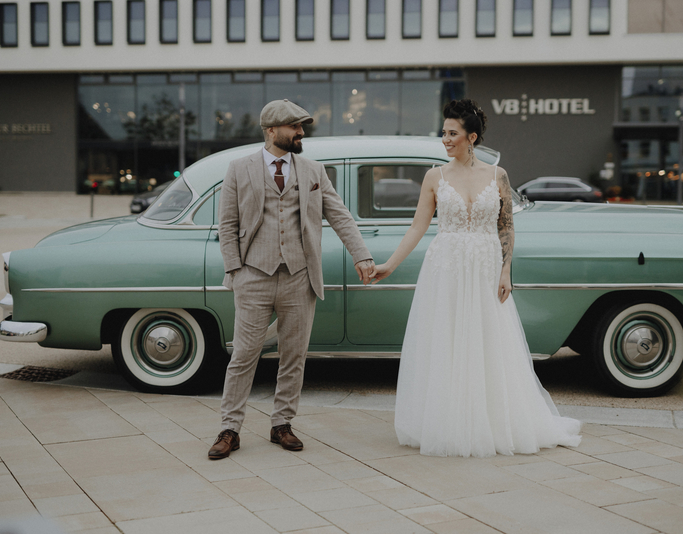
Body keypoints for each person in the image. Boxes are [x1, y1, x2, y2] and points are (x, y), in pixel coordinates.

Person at [371, 99, 582, 458]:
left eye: (452, 133)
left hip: (485, 267)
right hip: (447, 268)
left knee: (487, 342)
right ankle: (448, 422)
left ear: (471, 137)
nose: (445, 139)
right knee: (449, 341)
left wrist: (506, 271)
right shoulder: (434, 177)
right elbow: (418, 226)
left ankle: (493, 421)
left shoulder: (497, 176)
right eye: (443, 133)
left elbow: (506, 226)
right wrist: (389, 265)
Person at [209, 99, 376, 460]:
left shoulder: (314, 170)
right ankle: (229, 428)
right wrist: (235, 271)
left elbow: (340, 215)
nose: (302, 133)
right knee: (243, 354)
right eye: (295, 127)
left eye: (302, 127)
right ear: (272, 131)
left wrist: (361, 255)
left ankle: (281, 423)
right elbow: (227, 225)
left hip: (300, 277)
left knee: (294, 355)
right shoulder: (239, 169)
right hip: (253, 275)